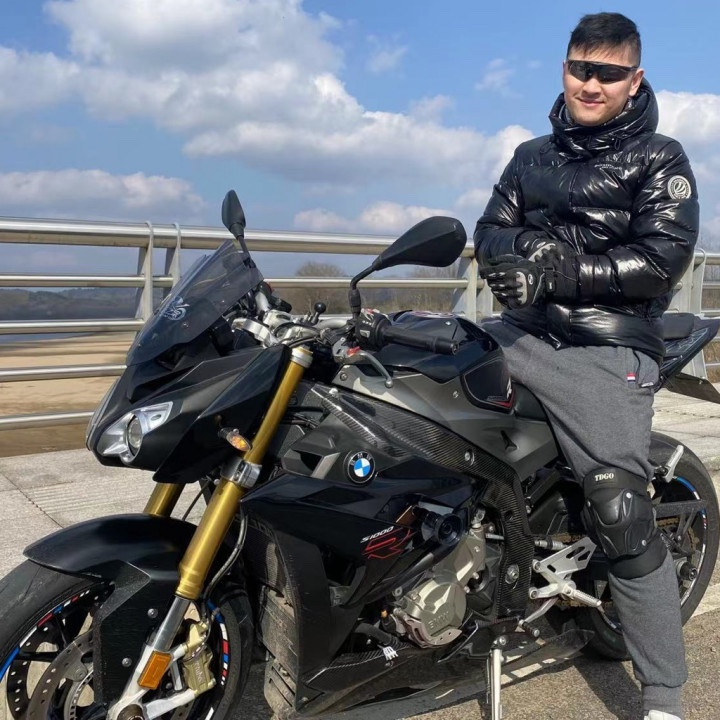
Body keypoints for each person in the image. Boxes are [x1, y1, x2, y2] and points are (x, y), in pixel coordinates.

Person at [474, 12, 698, 720]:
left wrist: (560, 270)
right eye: (581, 68)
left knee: (619, 508)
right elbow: (490, 229)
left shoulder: (661, 159)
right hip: (520, 333)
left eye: (608, 72)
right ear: (564, 68)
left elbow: (661, 260)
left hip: (606, 346)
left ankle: (663, 694)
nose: (591, 84)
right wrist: (517, 256)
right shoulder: (528, 155)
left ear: (634, 79)